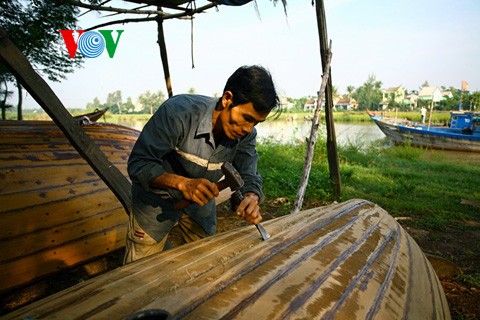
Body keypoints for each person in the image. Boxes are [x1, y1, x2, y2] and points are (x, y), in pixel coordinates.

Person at [124, 65, 279, 264]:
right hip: (154, 203)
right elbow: (139, 164)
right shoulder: (178, 113)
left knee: (205, 265)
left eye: (256, 123)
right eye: (247, 118)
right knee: (138, 274)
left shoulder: (245, 135)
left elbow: (248, 174)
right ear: (227, 99)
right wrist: (182, 184)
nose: (248, 129)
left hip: (200, 206)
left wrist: (251, 196)